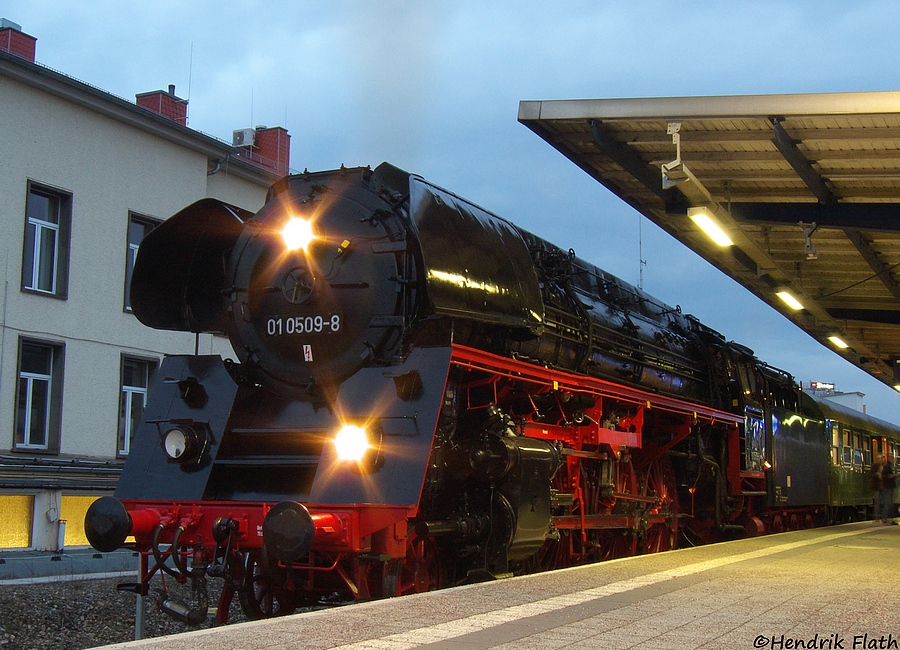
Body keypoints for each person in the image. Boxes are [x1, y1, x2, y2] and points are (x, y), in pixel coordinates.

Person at [879, 456, 897, 524]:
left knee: (887, 503)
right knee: (888, 503)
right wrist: (895, 476)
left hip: (886, 487)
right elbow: (888, 476)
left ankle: (885, 518)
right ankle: (888, 519)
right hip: (888, 487)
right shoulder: (887, 467)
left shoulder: (885, 467)